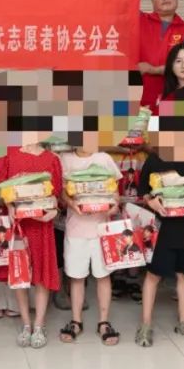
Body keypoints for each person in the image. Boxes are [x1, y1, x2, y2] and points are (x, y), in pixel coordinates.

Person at [135, 151, 184, 346]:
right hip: (162, 228)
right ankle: (145, 325)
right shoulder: (156, 158)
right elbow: (142, 189)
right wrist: (150, 201)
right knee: (153, 275)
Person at [0, 145, 62, 349]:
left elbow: (55, 195)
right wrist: (10, 207)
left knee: (42, 274)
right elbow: (2, 190)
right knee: (20, 273)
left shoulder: (51, 159)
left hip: (42, 226)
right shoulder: (9, 154)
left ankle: (39, 325)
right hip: (19, 226)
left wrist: (54, 211)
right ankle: (26, 324)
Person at [58, 145, 123, 346]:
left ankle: (103, 322)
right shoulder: (65, 159)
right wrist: (71, 203)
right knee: (76, 277)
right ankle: (76, 321)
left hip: (101, 229)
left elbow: (115, 192)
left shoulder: (103, 158)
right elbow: (62, 192)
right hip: (76, 228)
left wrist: (114, 206)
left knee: (103, 276)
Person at [138, 0, 184, 109]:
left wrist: (152, 70)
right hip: (138, 99)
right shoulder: (139, 20)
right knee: (137, 124)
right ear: (152, 0)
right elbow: (120, 2)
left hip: (173, 99)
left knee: (170, 123)